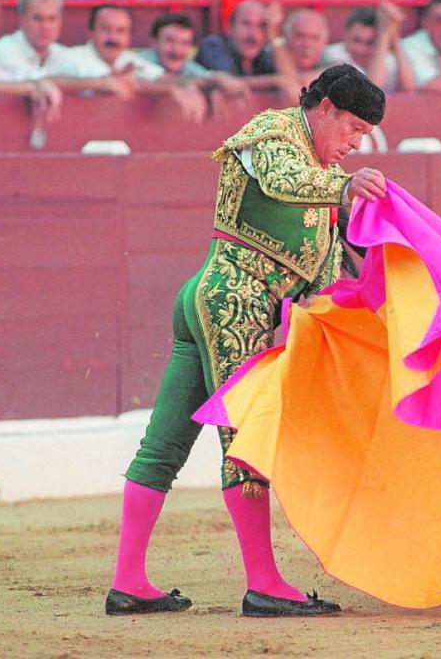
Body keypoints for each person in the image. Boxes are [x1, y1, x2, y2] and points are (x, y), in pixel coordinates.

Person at [105, 64, 389, 618]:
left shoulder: (325, 181)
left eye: (363, 136)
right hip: (232, 302)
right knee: (247, 440)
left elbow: (324, 273)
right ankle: (262, 583)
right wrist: (345, 187)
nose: (354, 144)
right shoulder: (274, 133)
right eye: (352, 128)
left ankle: (129, 582)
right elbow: (284, 181)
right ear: (324, 107)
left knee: (164, 445)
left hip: (217, 303)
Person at [57, 6, 206, 122]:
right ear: (91, 33)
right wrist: (169, 89)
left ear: (129, 37)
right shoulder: (71, 58)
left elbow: (163, 78)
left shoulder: (128, 59)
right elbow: (46, 81)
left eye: (121, 31)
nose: (113, 37)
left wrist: (191, 85)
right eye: (106, 29)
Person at [140, 12, 251, 114]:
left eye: (184, 43)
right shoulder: (140, 60)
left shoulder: (187, 66)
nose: (176, 50)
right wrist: (181, 86)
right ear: (153, 43)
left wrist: (221, 80)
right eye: (170, 41)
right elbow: (160, 78)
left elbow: (209, 76)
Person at [320, 3, 415, 94]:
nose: (361, 49)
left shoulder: (386, 55)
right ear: (345, 35)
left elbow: (409, 89)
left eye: (370, 43)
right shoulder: (332, 55)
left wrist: (393, 36)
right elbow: (370, 93)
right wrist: (383, 36)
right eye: (356, 40)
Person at [0, 0, 71, 80]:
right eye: (37, 18)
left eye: (52, 18)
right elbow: (36, 81)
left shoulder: (62, 53)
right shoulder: (2, 50)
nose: (45, 26)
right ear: (22, 19)